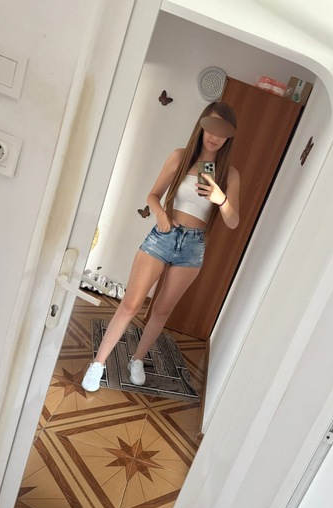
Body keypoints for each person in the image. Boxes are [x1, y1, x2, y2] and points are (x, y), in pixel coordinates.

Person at [82, 101, 240, 392]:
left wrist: (221, 199)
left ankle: (137, 359)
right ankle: (98, 363)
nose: (214, 136)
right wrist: (162, 216)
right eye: (211, 127)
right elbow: (153, 195)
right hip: (164, 235)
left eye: (222, 130)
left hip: (193, 246)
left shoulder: (229, 175)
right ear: (202, 125)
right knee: (131, 304)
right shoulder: (180, 157)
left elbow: (233, 221)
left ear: (229, 135)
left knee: (162, 311)